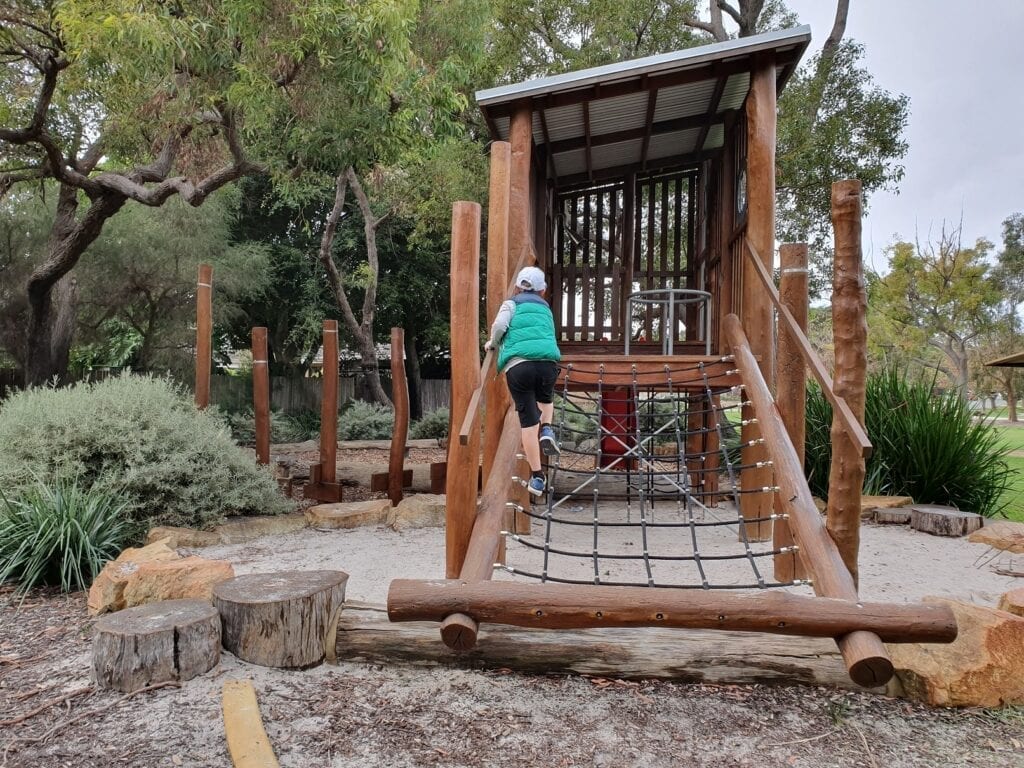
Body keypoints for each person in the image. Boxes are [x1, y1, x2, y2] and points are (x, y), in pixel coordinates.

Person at [484, 266, 561, 497]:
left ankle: (537, 477)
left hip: (519, 366)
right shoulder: (546, 310)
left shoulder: (511, 304)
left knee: (528, 423)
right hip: (548, 363)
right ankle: (547, 428)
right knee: (546, 399)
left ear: (518, 286)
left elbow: (499, 326)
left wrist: (493, 343)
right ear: (543, 290)